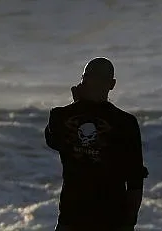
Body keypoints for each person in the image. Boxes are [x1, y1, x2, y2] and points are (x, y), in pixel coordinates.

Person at [44, 57, 148, 231]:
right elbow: (135, 179)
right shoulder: (125, 122)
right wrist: (130, 221)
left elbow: (53, 141)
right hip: (106, 218)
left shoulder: (61, 116)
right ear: (112, 84)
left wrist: (76, 105)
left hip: (75, 215)